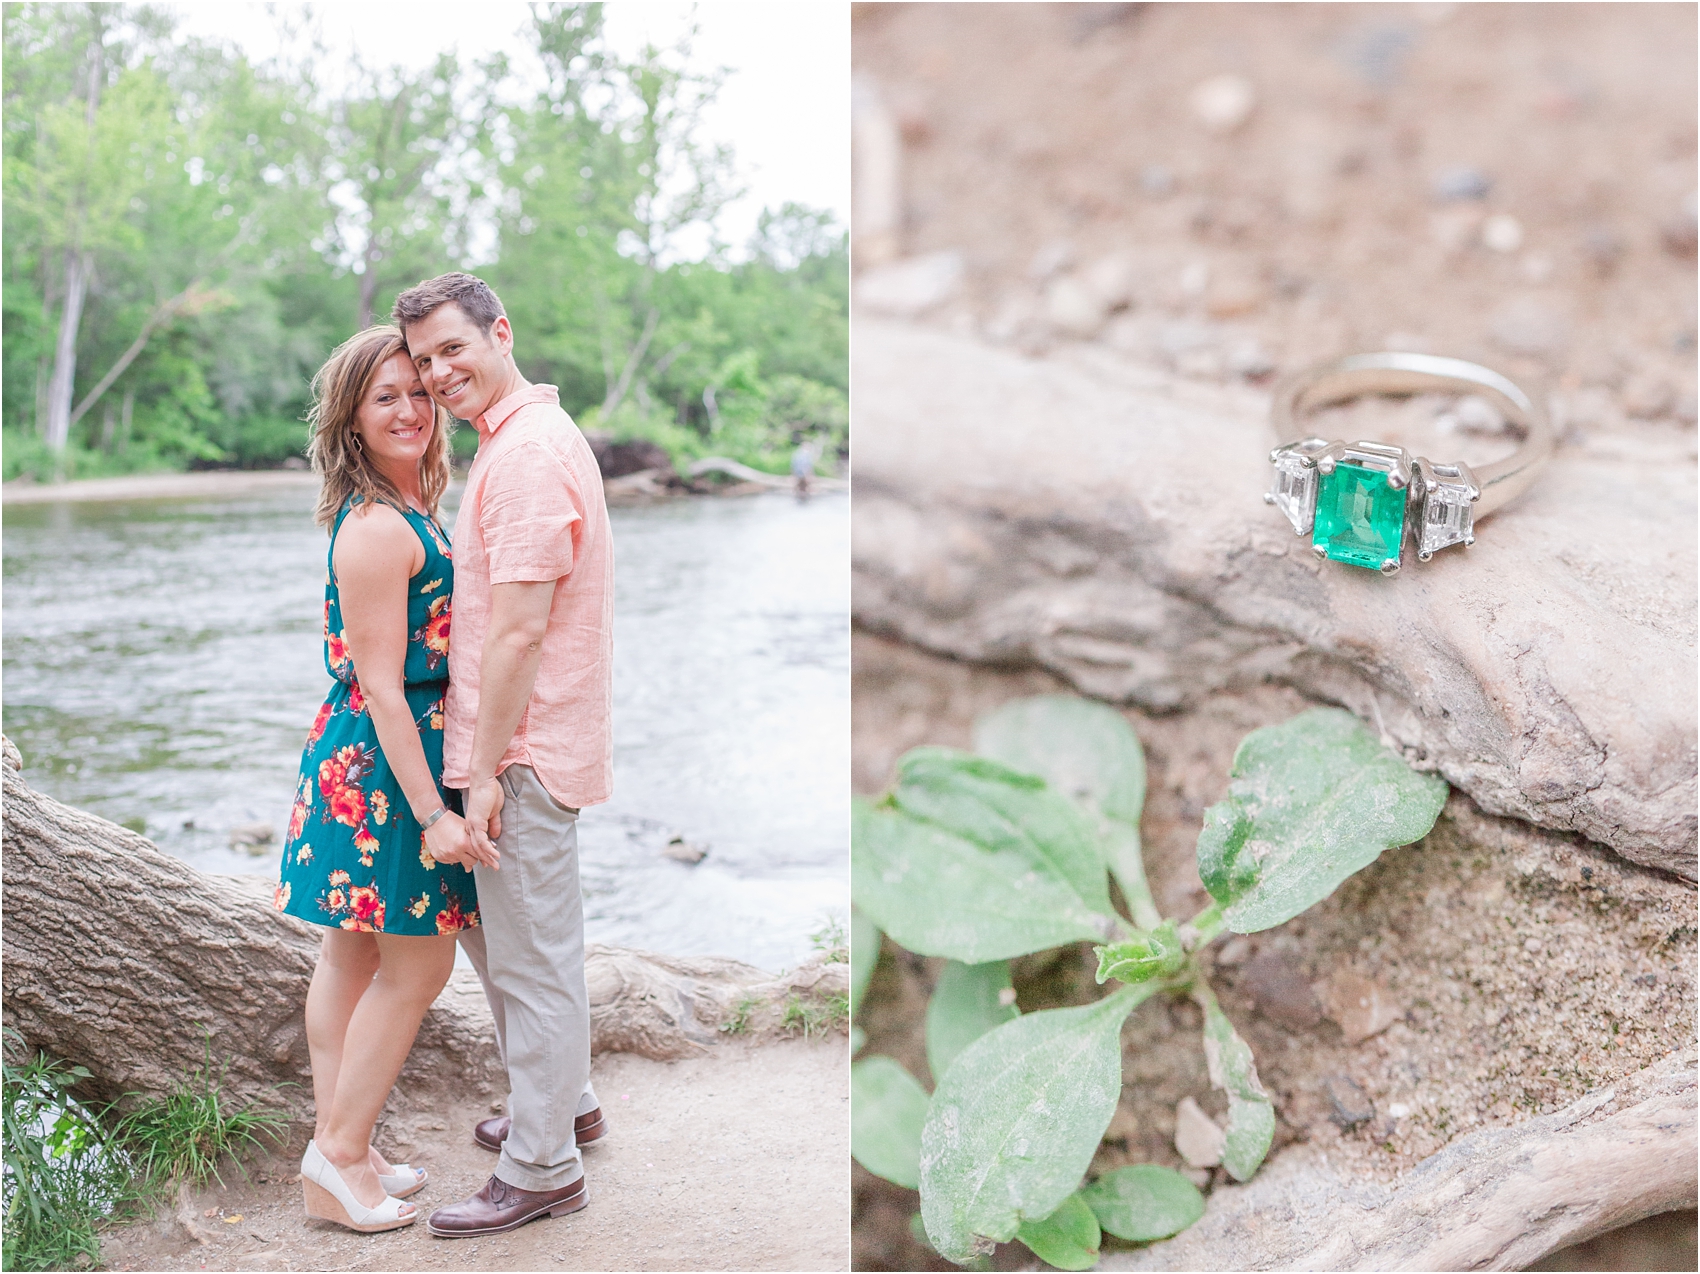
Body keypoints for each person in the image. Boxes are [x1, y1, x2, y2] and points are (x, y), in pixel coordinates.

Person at [390, 272, 615, 1240]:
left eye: (452, 349)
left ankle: (542, 1166)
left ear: (500, 333)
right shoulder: (518, 441)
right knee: (513, 950)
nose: (438, 373)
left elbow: (519, 633)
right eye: (423, 358)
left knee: (530, 965)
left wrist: (481, 775)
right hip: (514, 744)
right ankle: (566, 1105)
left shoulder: (524, 457)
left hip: (519, 754)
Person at [274, 326, 483, 1233]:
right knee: (419, 963)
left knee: (354, 954)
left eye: (419, 391)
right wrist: (435, 811)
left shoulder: (411, 508)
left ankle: (345, 1142)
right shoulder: (373, 528)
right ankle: (340, 1155)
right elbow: (382, 688)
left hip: (380, 756)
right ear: (353, 421)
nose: (410, 409)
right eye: (385, 397)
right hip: (387, 768)